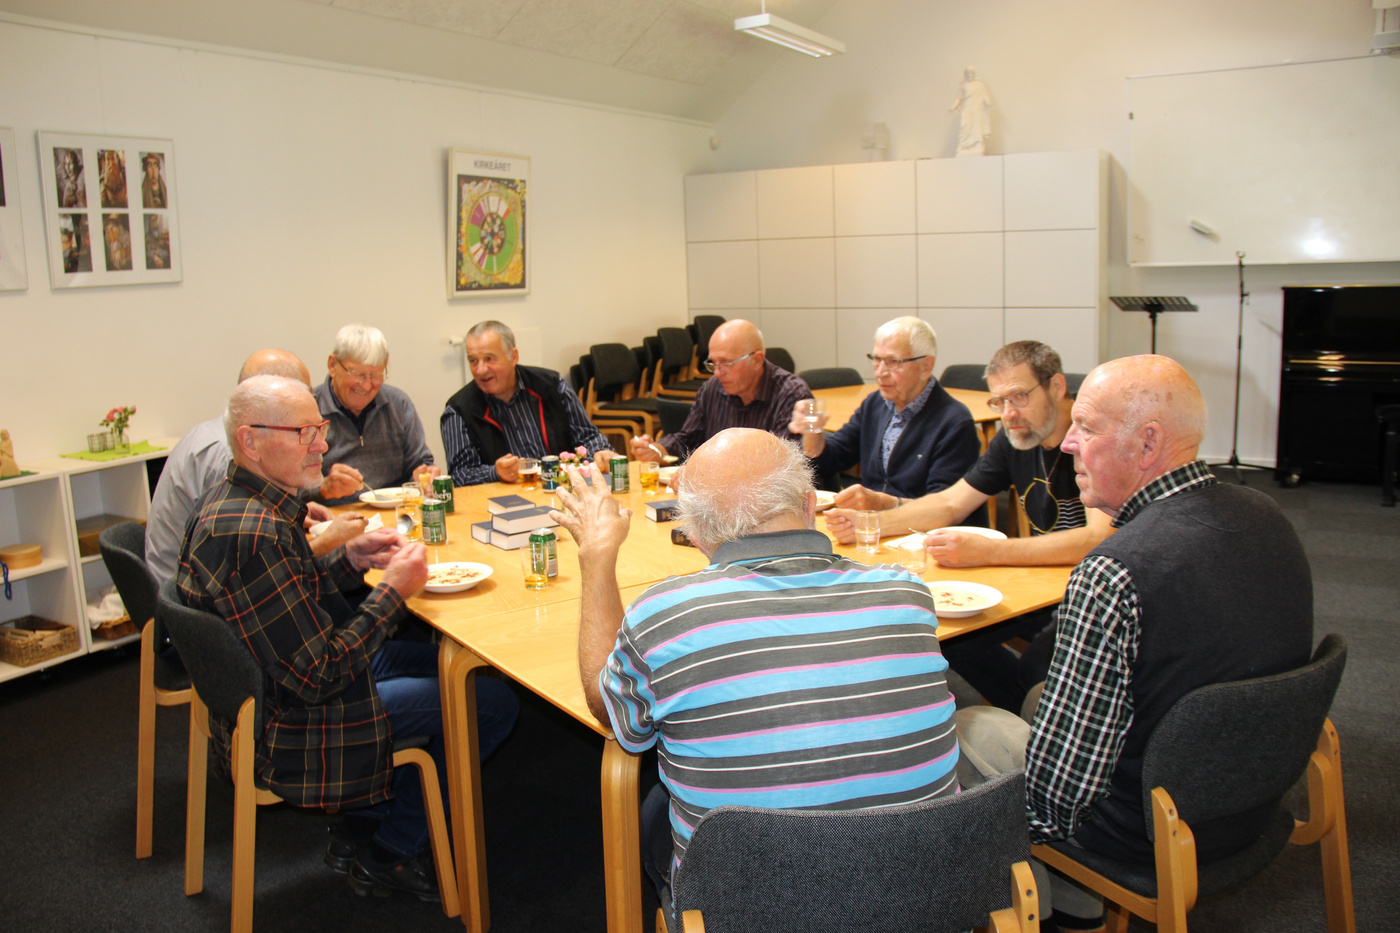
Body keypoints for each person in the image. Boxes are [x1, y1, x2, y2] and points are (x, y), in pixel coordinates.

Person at [956, 355, 1314, 930]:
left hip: (1143, 830)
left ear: (1149, 444)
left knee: (968, 723)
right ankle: (1078, 904)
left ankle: (1046, 907)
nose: (1068, 442)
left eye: (1088, 427)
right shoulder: (1266, 513)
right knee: (1038, 698)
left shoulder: (1115, 570)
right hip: (1252, 796)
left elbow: (1055, 800)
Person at [553, 428, 959, 903]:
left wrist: (596, 556)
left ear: (697, 535)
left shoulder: (667, 616)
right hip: (929, 898)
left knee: (652, 812)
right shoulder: (908, 595)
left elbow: (611, 715)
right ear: (810, 507)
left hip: (756, 909)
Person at [176, 375, 518, 901]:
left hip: (271, 686)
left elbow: (285, 600)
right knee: (490, 700)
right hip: (294, 720)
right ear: (250, 441)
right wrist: (394, 595)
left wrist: (349, 560)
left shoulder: (235, 502)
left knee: (454, 664)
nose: (320, 444)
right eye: (302, 433)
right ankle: (393, 848)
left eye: (319, 427)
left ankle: (363, 819)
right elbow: (320, 674)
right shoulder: (253, 533)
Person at [825, 341, 1114, 709]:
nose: (1008, 414)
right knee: (956, 643)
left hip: (1095, 595)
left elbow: (1098, 539)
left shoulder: (1089, 440)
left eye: (1019, 397)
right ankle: (1025, 721)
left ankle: (1042, 727)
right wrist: (874, 523)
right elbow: (950, 503)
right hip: (1043, 585)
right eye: (999, 402)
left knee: (1034, 666)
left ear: (1057, 386)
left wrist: (993, 550)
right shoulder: (1018, 438)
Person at [146, 349, 364, 589]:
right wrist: (330, 541)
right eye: (301, 393)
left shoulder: (220, 431)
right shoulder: (227, 454)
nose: (320, 445)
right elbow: (258, 563)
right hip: (186, 601)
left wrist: (295, 512)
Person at [788, 315, 981, 503]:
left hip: (921, 531)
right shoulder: (876, 404)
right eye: (876, 359)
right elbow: (834, 459)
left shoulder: (954, 422)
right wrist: (812, 430)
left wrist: (882, 504)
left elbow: (945, 507)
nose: (880, 372)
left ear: (926, 366)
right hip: (872, 523)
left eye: (893, 362)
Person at [440, 320, 616, 484]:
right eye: (473, 361)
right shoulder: (459, 410)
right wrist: (495, 472)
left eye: (489, 359)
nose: (480, 370)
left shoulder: (552, 386)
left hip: (561, 490)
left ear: (514, 357)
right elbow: (459, 475)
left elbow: (588, 437)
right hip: (502, 503)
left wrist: (600, 452)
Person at [628, 319, 812, 463]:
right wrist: (658, 449)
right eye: (713, 363)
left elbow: (783, 463)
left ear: (757, 360)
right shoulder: (712, 388)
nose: (717, 372)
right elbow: (689, 439)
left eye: (725, 363)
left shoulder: (791, 394)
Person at [314, 324, 440, 503]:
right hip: (332, 518)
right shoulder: (310, 411)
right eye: (358, 374)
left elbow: (420, 463)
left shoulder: (398, 404)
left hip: (397, 513)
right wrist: (322, 489)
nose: (366, 385)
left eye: (376, 375)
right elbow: (291, 490)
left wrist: (426, 474)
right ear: (333, 365)